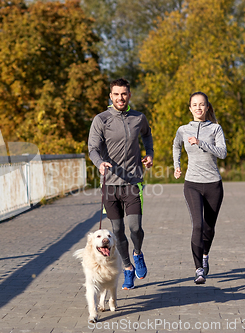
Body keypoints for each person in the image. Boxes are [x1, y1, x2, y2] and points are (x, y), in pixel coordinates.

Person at [88, 78, 154, 290]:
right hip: (110, 184)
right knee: (117, 231)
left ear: (129, 95)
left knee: (135, 227)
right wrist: (99, 163)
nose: (120, 98)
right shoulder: (101, 119)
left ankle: (138, 254)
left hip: (133, 181)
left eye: (124, 94)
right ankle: (127, 269)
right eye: (116, 94)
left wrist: (149, 154)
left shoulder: (138, 118)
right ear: (110, 96)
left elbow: (147, 135)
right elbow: (93, 149)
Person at [173, 91, 227, 284]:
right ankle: (198, 269)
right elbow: (176, 146)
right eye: (194, 104)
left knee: (209, 228)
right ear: (190, 108)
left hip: (213, 184)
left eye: (202, 104)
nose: (198, 108)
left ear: (207, 107)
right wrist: (177, 165)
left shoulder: (216, 129)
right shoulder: (183, 129)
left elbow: (222, 153)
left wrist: (201, 143)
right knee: (198, 225)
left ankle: (205, 255)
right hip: (192, 183)